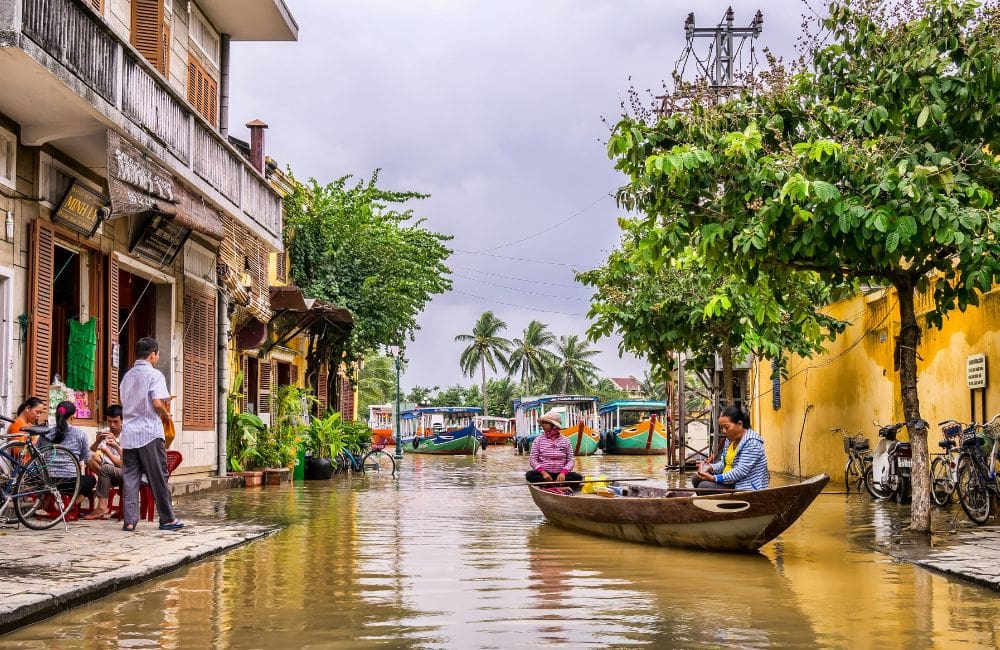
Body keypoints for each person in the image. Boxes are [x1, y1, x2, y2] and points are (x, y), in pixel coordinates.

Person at [120, 337, 183, 531]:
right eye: (158, 354)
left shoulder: (127, 376)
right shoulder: (155, 375)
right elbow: (157, 403)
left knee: (130, 477)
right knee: (158, 477)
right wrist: (166, 415)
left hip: (129, 432)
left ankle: (130, 521)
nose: (158, 356)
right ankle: (167, 519)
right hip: (149, 432)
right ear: (153, 354)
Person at [694, 405, 769, 491]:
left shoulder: (752, 443)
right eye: (721, 428)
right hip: (731, 482)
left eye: (727, 427)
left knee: (704, 486)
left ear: (740, 424)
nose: (724, 431)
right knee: (696, 478)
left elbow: (740, 472)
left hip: (744, 486)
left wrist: (714, 478)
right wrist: (709, 467)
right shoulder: (729, 440)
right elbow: (724, 464)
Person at [38, 401, 97, 501]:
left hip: (46, 481)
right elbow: (86, 458)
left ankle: (57, 504)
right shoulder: (80, 434)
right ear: (73, 416)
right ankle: (70, 507)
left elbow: (38, 453)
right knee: (92, 479)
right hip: (70, 483)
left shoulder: (45, 433)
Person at [83, 404, 124, 520]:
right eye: (109, 421)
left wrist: (115, 443)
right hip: (107, 467)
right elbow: (91, 451)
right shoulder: (105, 431)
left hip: (121, 470)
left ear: (122, 420)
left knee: (105, 469)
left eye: (115, 421)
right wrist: (97, 442)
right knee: (89, 457)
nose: (112, 425)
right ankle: (106, 481)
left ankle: (102, 506)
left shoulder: (127, 434)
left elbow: (121, 464)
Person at [525, 409, 583, 490]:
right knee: (530, 475)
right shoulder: (538, 440)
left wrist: (563, 473)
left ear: (554, 425)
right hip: (544, 475)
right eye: (543, 423)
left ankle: (550, 486)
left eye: (546, 423)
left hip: (560, 476)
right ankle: (557, 487)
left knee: (578, 477)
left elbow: (571, 460)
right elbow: (532, 460)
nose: (543, 425)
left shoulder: (565, 440)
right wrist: (543, 472)